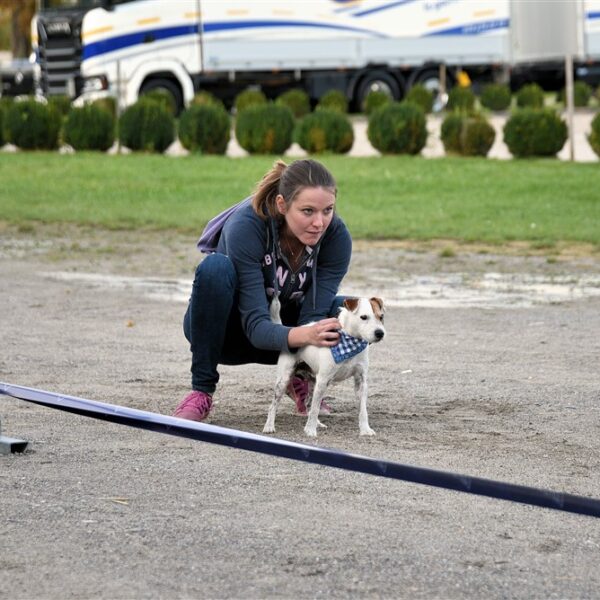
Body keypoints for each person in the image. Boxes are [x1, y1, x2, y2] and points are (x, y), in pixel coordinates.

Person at [173, 158, 352, 421]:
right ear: (282, 204)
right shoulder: (247, 226)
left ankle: (299, 376)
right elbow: (256, 326)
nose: (319, 222)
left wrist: (313, 333)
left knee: (350, 311)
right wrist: (306, 333)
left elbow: (312, 316)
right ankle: (201, 391)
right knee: (215, 269)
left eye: (328, 210)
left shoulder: (336, 238)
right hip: (228, 334)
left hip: (285, 339)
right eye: (308, 211)